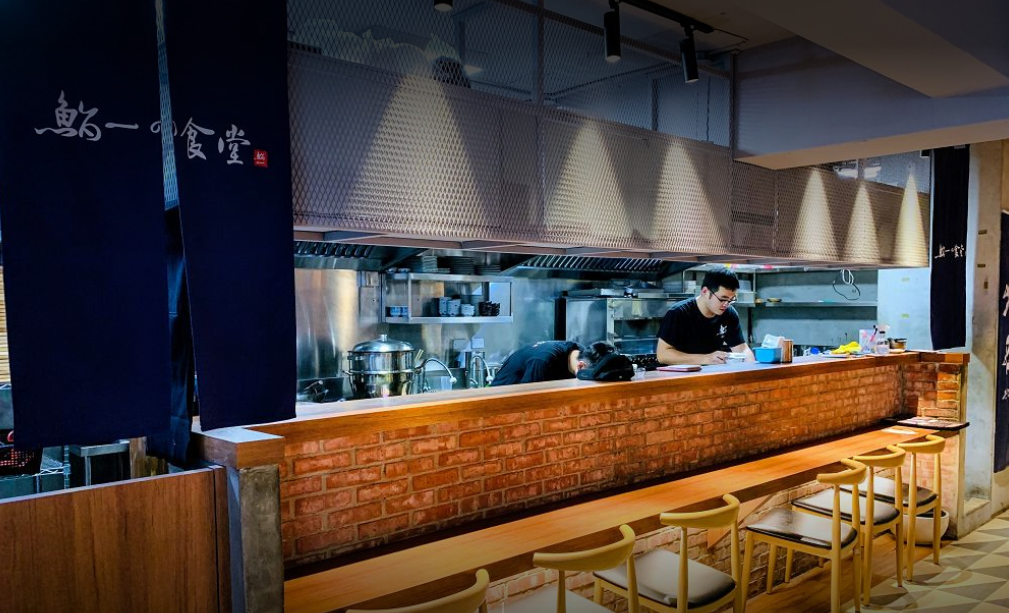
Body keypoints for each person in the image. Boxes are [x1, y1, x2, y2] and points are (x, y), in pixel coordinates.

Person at [657, 268, 754, 365]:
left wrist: (752, 367)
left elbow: (742, 349)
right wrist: (706, 358)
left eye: (731, 300)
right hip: (680, 373)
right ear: (705, 291)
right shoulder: (678, 313)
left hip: (711, 372)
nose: (726, 304)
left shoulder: (729, 314)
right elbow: (663, 355)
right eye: (722, 299)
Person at [490, 340, 615, 386]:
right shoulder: (543, 362)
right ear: (581, 366)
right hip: (501, 403)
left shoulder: (578, 351)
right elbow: (528, 402)